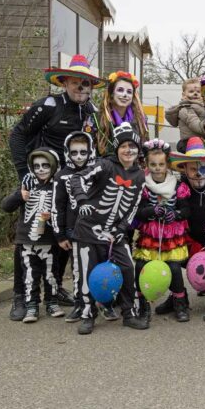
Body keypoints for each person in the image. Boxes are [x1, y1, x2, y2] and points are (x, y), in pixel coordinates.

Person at [9, 54, 101, 310]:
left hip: (70, 187)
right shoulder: (48, 106)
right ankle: (20, 297)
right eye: (76, 82)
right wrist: (23, 173)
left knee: (62, 236)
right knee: (28, 238)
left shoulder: (92, 112)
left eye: (87, 83)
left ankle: (55, 288)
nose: (82, 88)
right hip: (41, 181)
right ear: (64, 83)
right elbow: (17, 134)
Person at [69, 123, 148, 335]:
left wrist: (122, 227)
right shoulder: (104, 165)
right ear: (117, 148)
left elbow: (133, 206)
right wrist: (82, 199)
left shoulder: (139, 176)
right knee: (86, 272)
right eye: (124, 146)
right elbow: (77, 178)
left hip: (115, 233)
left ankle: (128, 312)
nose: (128, 150)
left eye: (133, 146)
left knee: (127, 267)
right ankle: (87, 314)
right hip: (88, 230)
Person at [162, 138, 205, 318]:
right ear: (185, 169)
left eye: (203, 168)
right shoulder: (180, 188)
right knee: (170, 256)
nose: (199, 174)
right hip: (189, 241)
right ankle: (178, 297)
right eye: (193, 169)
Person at [133, 139, 193, 323]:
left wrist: (175, 214)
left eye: (161, 164)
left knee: (174, 268)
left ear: (167, 164)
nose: (157, 168)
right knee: (142, 266)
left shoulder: (177, 185)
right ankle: (142, 305)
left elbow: (186, 210)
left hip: (171, 234)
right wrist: (151, 211)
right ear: (147, 164)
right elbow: (139, 212)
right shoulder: (143, 186)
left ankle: (179, 303)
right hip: (150, 235)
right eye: (153, 165)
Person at [1, 148, 63, 323]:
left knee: (51, 274)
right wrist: (19, 196)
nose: (41, 169)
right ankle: (31, 305)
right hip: (27, 241)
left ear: (53, 166)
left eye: (45, 165)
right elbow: (5, 207)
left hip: (49, 241)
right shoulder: (26, 186)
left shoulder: (57, 187)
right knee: (29, 275)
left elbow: (64, 211)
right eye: (36, 166)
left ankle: (52, 301)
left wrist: (52, 216)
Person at [51, 131, 96, 323]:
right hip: (73, 230)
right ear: (67, 153)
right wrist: (60, 235)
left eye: (83, 152)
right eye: (74, 152)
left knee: (96, 267)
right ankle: (79, 303)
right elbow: (57, 206)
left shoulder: (97, 171)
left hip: (96, 229)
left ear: (90, 151)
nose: (78, 157)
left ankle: (101, 301)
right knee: (78, 268)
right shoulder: (61, 176)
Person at [94, 71, 149, 157]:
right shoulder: (96, 119)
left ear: (133, 96)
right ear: (112, 94)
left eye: (129, 92)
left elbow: (145, 149)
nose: (125, 95)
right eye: (120, 90)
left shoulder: (141, 120)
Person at [165, 77, 205, 148]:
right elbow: (195, 124)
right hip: (190, 142)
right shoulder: (185, 108)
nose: (195, 94)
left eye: (198, 92)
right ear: (184, 95)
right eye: (191, 91)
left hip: (201, 140)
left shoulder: (203, 106)